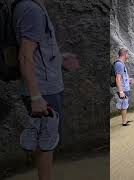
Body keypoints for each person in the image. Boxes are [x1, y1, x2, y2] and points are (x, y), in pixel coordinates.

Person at [13, 0, 79, 179]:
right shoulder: (31, 9)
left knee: (46, 139)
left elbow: (38, 51)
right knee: (46, 141)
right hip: (43, 90)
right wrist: (36, 97)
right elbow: (25, 56)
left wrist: (59, 59)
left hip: (46, 87)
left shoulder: (34, 7)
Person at [114, 48, 134, 126]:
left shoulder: (121, 63)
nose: (128, 55)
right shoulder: (119, 64)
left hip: (124, 88)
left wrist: (129, 80)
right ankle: (124, 122)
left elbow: (122, 77)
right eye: (127, 54)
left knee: (125, 105)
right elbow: (117, 78)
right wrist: (121, 91)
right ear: (125, 54)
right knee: (124, 105)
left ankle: (125, 120)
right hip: (122, 89)